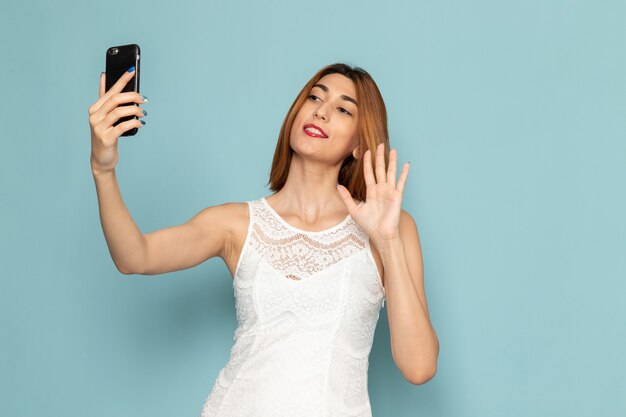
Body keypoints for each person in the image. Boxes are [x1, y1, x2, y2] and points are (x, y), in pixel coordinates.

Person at [88, 62, 439, 417]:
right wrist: (103, 169)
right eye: (315, 97)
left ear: (360, 144)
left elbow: (419, 367)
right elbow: (135, 256)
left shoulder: (393, 228)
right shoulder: (236, 223)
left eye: (343, 109)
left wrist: (388, 242)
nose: (321, 111)